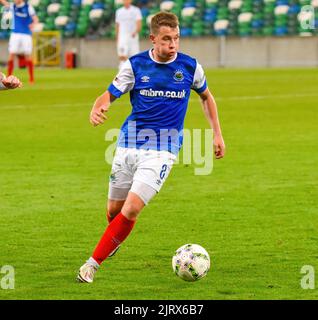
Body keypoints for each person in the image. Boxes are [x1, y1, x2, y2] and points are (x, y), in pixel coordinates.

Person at [77, 11, 225, 283]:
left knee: (131, 209)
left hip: (164, 148)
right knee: (114, 211)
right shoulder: (135, 65)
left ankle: (91, 265)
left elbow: (206, 97)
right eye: (167, 39)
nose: (173, 45)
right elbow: (108, 94)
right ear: (153, 39)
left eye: (177, 38)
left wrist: (217, 134)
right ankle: (115, 237)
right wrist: (99, 106)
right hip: (128, 142)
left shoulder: (190, 67)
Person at [0, 0, 39, 84]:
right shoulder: (13, 6)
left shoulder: (28, 7)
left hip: (26, 34)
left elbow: (35, 19)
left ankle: (31, 78)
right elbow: (4, 3)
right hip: (15, 34)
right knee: (11, 54)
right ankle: (8, 77)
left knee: (28, 56)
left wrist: (33, 24)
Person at [115, 0, 142, 70]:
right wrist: (118, 37)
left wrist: (135, 32)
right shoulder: (119, 11)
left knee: (135, 56)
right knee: (122, 55)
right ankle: (122, 72)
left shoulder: (136, 10)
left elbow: (139, 23)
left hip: (133, 36)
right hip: (122, 36)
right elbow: (117, 25)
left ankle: (135, 73)